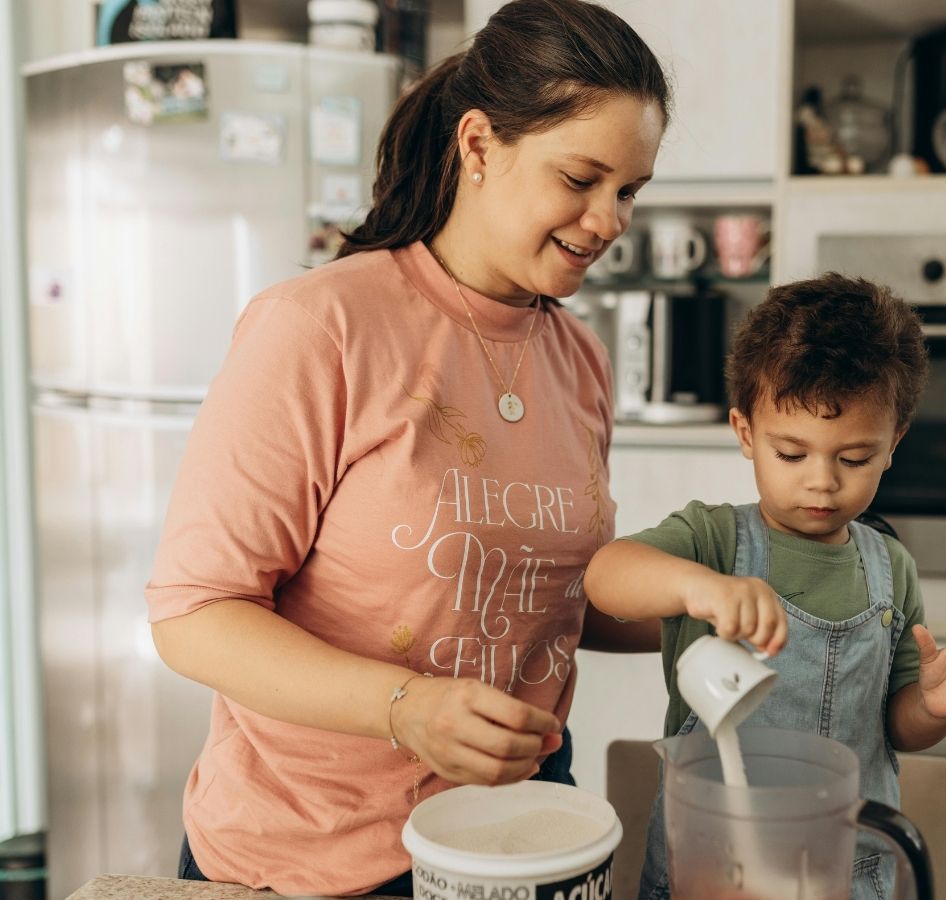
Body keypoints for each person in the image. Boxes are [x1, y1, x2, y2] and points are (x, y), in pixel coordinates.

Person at [144, 1, 669, 895]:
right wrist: (407, 708)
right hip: (312, 856)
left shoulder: (579, 357)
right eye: (581, 178)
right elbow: (194, 614)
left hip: (516, 831)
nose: (610, 219)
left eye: (628, 191)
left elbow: (546, 596)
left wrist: (736, 607)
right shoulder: (319, 327)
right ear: (478, 145)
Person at [583, 273, 946, 900]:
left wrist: (933, 705)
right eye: (791, 454)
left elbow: (897, 729)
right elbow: (605, 576)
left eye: (854, 458)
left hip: (845, 871)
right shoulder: (713, 540)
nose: (822, 482)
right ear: (745, 432)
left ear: (894, 443)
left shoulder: (891, 568)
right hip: (710, 865)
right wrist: (698, 588)